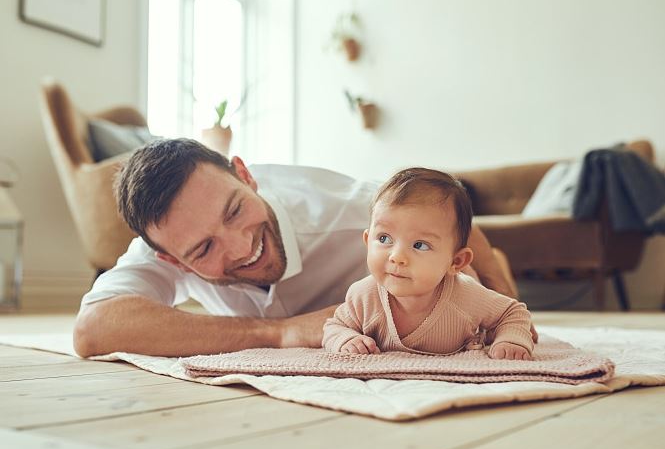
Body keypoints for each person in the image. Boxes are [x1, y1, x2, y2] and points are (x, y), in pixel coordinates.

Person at [74, 138, 522, 358]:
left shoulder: (346, 210)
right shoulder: (166, 241)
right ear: (172, 260)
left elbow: (450, 223)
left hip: (427, 284)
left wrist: (504, 293)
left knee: (470, 287)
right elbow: (93, 328)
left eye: (235, 210)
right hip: (362, 318)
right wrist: (276, 332)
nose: (242, 246)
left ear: (245, 176)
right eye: (205, 248)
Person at [322, 168, 534, 360]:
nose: (397, 257)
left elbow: (512, 313)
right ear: (368, 241)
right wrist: (345, 339)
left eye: (420, 245)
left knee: (482, 287)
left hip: (465, 279)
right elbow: (335, 326)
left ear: (456, 261)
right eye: (385, 239)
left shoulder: (468, 296)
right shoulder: (363, 295)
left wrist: (511, 340)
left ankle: (494, 262)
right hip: (448, 271)